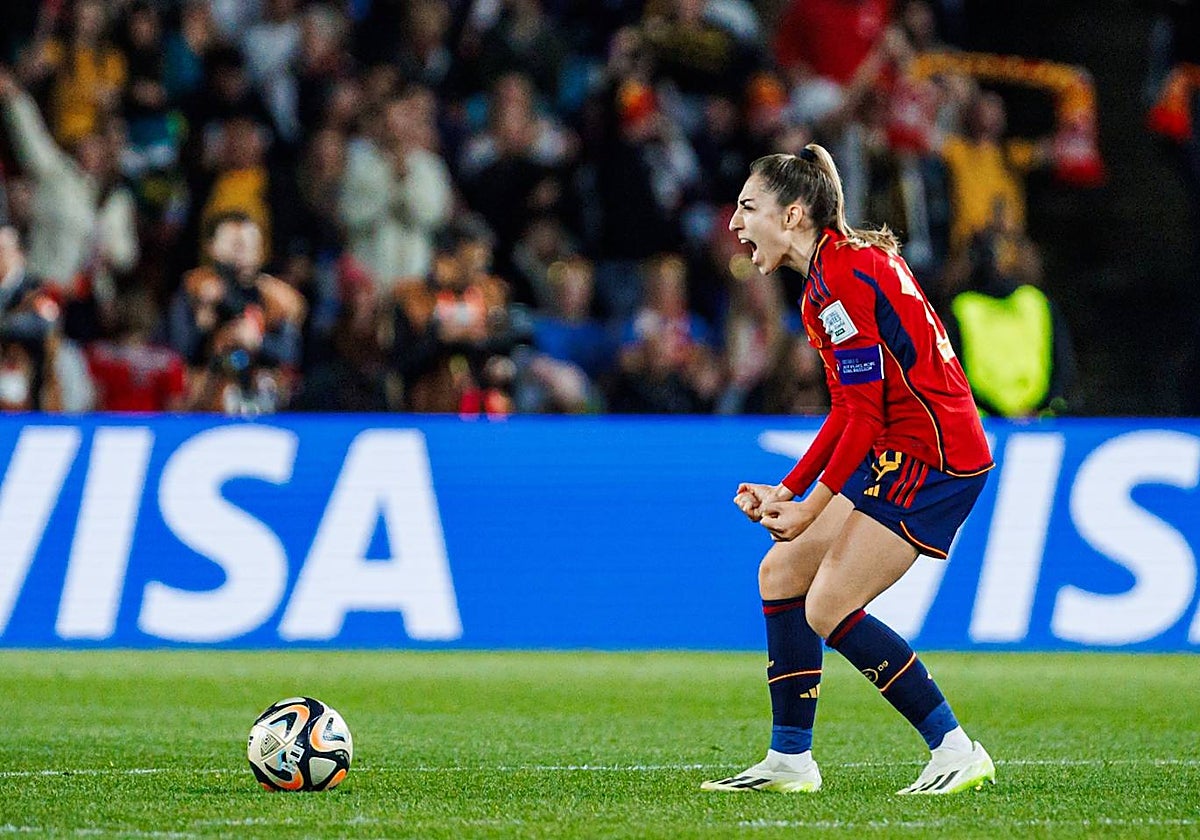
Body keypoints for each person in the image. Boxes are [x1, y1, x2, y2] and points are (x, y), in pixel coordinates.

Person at [704, 145, 995, 795]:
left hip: (936, 457)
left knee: (830, 602)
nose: (734, 223)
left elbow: (864, 417)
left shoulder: (847, 278)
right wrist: (788, 488)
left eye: (749, 207)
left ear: (795, 214)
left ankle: (955, 748)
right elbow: (847, 411)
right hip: (902, 448)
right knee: (782, 572)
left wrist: (807, 507)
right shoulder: (824, 286)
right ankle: (789, 760)